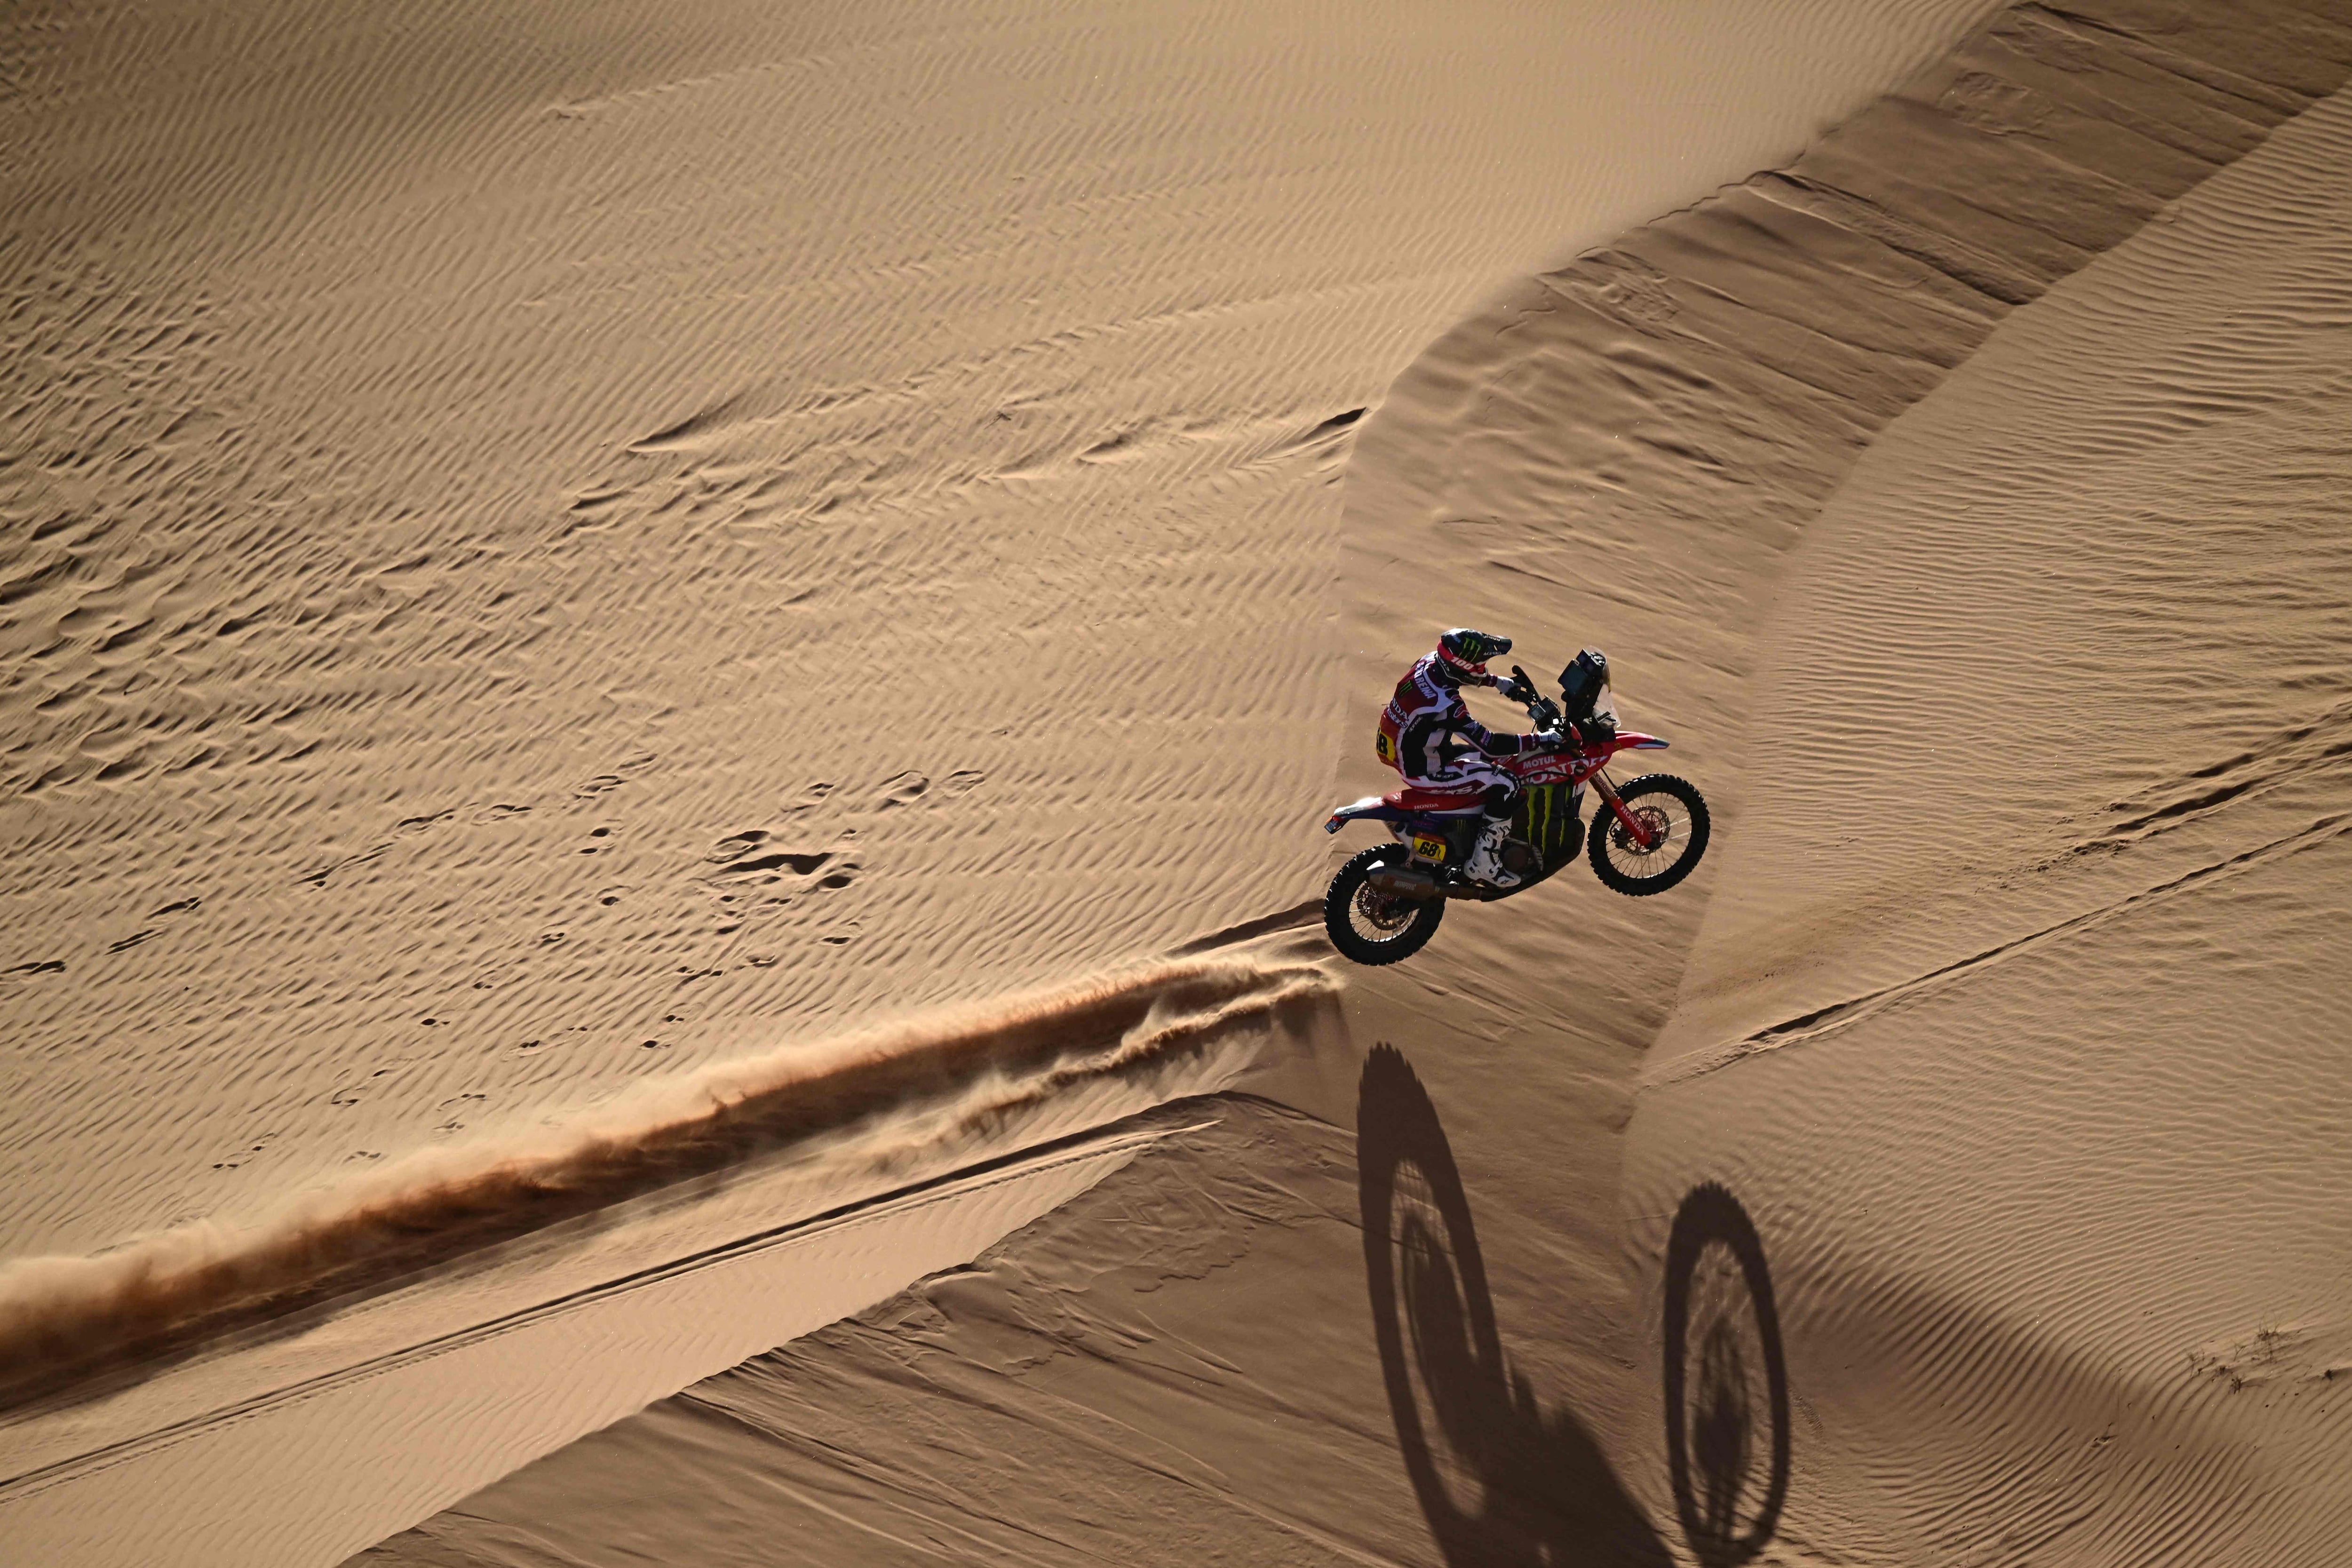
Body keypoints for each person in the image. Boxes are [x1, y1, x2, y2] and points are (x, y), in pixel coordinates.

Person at [1376, 627, 1564, 889]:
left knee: (1494, 767)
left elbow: (1464, 673)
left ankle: (1470, 832)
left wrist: (1500, 683)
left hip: (1416, 752)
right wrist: (1541, 740)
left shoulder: (1430, 662)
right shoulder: (1446, 704)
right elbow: (1489, 745)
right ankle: (1483, 864)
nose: (1482, 668)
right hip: (1426, 771)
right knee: (1508, 783)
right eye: (1480, 664)